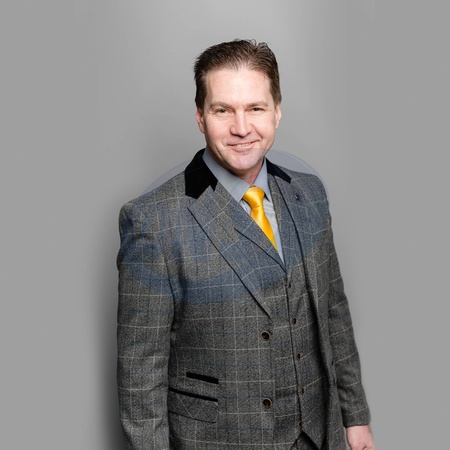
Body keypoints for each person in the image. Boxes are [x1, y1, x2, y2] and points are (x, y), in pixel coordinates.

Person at [117, 39, 374, 450]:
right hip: (219, 439)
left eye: (255, 108)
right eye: (223, 110)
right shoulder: (153, 220)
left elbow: (334, 313)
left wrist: (354, 418)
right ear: (200, 116)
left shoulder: (309, 194)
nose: (241, 128)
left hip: (319, 434)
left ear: (277, 111)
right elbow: (140, 373)